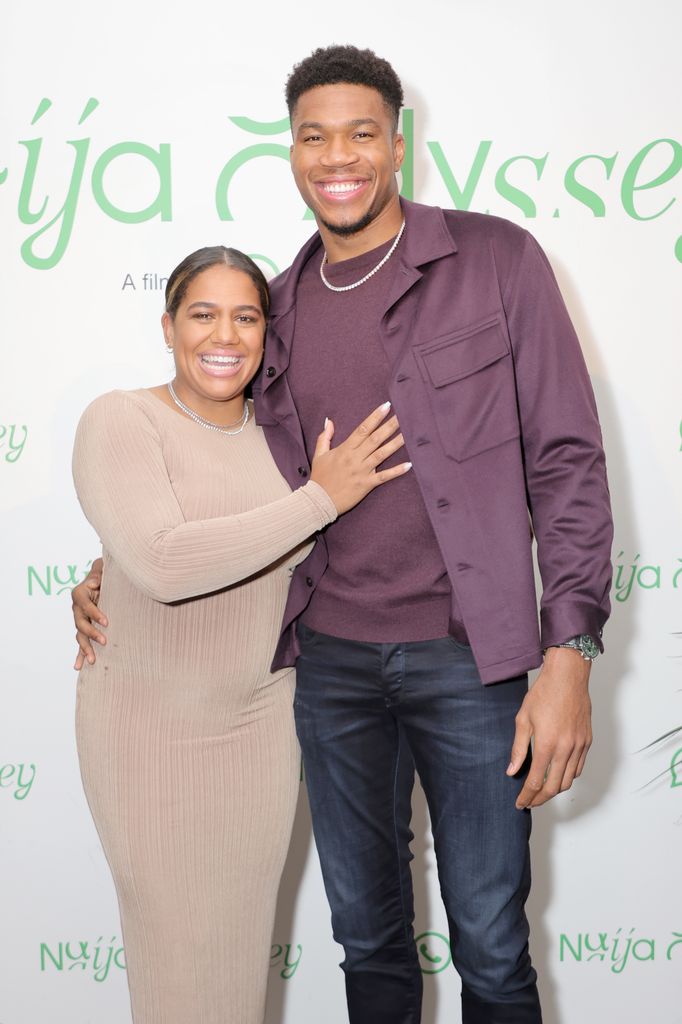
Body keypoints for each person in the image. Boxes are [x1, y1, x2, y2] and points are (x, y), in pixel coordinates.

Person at [73, 46, 614, 1024]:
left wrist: (568, 652)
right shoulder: (274, 311)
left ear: (396, 145)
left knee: (491, 946)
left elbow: (567, 457)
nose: (339, 155)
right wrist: (112, 565)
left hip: (473, 664)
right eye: (314, 135)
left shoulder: (494, 261)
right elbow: (229, 472)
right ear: (291, 152)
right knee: (367, 947)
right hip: (323, 669)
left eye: (360, 133)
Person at [70, 244, 410, 1024]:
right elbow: (161, 560)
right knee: (177, 973)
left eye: (246, 316)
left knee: (231, 976)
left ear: (268, 333)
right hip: (148, 731)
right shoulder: (123, 417)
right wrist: (320, 500)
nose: (224, 335)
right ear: (167, 326)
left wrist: (317, 496)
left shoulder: (285, 437)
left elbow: (287, 549)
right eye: (202, 314)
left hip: (262, 727)